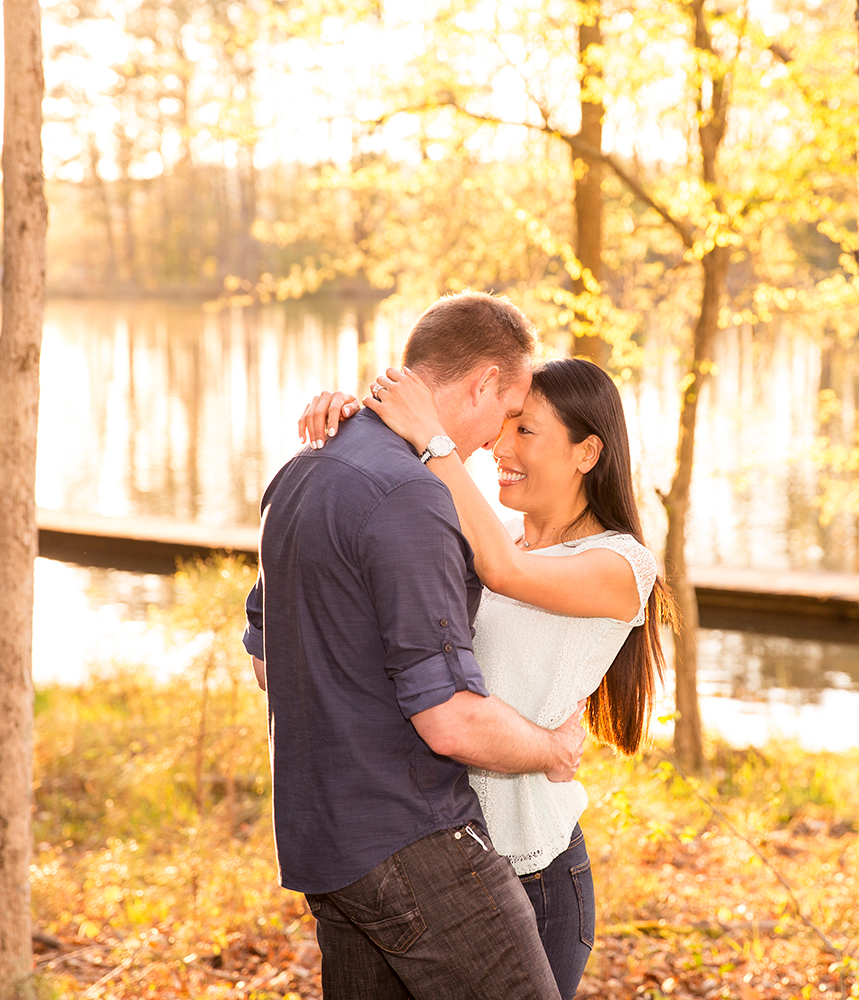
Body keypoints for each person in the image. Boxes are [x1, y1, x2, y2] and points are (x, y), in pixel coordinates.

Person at [243, 290, 585, 1000]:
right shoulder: (410, 494)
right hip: (413, 838)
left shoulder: (302, 471)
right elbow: (450, 717)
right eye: (509, 408)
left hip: (326, 847)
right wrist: (552, 748)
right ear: (484, 381)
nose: (499, 437)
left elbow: (267, 661)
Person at [299, 356, 674, 1000]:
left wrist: (433, 438)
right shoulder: (491, 533)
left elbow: (506, 574)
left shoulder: (620, 566)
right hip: (430, 853)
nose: (500, 445)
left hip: (533, 874)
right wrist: (353, 430)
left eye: (524, 431)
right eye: (504, 425)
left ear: (588, 453)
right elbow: (388, 533)